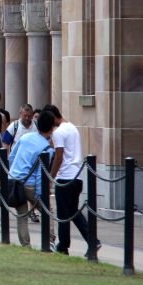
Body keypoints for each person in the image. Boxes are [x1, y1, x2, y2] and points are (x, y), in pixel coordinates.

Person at [44, 104, 101, 257]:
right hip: (76, 176)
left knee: (64, 214)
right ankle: (90, 241)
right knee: (72, 212)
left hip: (65, 177)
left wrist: (51, 176)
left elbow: (59, 155)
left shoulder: (59, 132)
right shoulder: (72, 128)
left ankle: (65, 245)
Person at [8, 111, 56, 247]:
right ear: (51, 128)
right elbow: (41, 174)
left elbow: (12, 157)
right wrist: (42, 194)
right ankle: (50, 240)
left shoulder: (25, 137)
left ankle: (25, 245)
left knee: (22, 215)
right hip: (30, 184)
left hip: (15, 180)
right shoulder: (47, 149)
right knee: (47, 211)